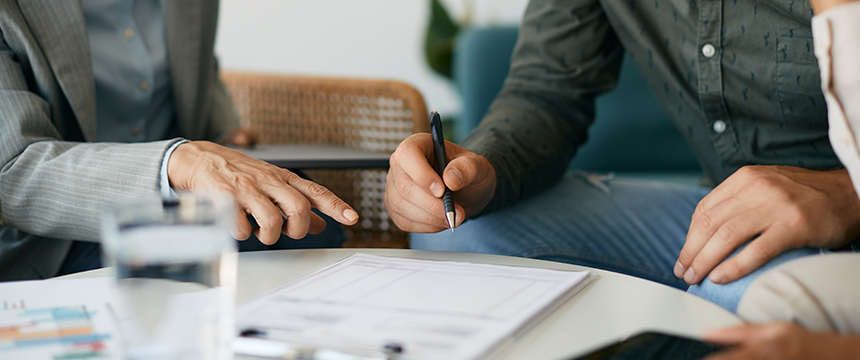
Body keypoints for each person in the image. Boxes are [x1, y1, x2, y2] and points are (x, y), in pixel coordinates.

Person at [385, 0, 860, 313]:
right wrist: (480, 171)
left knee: (745, 297)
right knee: (457, 241)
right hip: (714, 211)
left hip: (846, 219)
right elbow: (547, 91)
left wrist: (845, 193)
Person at [0, 0, 358, 281]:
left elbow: (200, 68)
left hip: (191, 207)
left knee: (309, 227)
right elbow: (12, 169)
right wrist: (179, 162)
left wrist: (223, 134)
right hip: (58, 239)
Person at [699, 0, 860, 358]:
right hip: (708, 199)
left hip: (833, 229)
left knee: (734, 291)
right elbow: (551, 91)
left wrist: (848, 197)